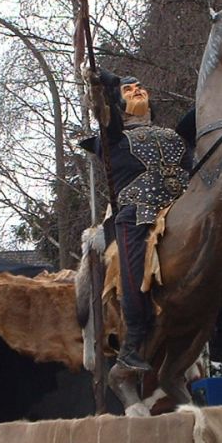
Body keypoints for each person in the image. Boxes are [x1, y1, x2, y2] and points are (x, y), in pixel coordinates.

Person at [80, 69, 193, 371]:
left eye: (140, 87)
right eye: (128, 90)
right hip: (138, 213)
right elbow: (106, 116)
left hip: (182, 205)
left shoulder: (174, 136)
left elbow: (205, 112)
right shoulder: (112, 138)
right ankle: (133, 339)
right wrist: (106, 86)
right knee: (132, 269)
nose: (137, 91)